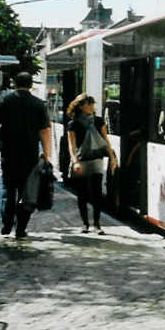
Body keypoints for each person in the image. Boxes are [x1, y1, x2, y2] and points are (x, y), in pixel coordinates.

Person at [0, 72, 53, 239]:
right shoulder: (39, 104)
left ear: (15, 84)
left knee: (8, 190)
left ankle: (7, 224)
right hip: (30, 156)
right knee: (27, 192)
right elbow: (45, 131)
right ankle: (21, 228)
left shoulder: (4, 101)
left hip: (9, 154)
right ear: (30, 85)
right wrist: (47, 154)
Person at [66, 94, 117, 234]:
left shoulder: (99, 121)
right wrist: (75, 161)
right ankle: (85, 224)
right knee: (82, 193)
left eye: (92, 104)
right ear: (81, 106)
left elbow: (106, 141)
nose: (92, 107)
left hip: (96, 160)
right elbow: (71, 145)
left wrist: (112, 158)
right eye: (89, 104)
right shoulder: (73, 124)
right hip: (81, 160)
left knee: (97, 193)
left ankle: (97, 224)